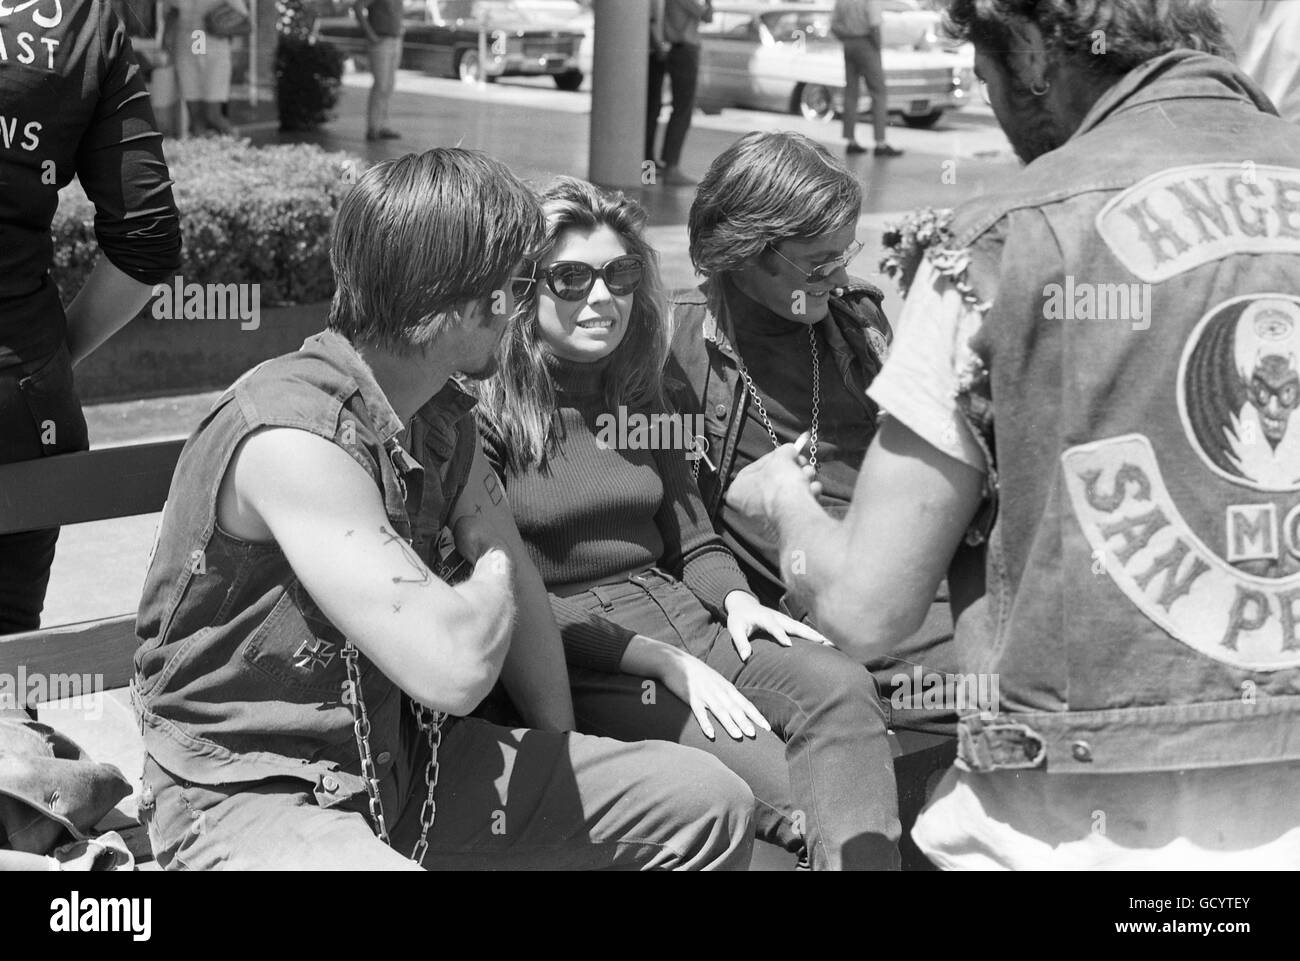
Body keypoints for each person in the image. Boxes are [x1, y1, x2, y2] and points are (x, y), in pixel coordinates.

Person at [726, 0, 1300, 869]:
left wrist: (783, 503)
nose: (995, 114)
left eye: (986, 78)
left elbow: (867, 608)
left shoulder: (998, 240)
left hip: (1081, 825)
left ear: (1031, 50)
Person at [132, 149, 755, 871]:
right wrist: (489, 550)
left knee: (708, 801)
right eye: (517, 283)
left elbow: (524, 624)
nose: (524, 306)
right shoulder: (292, 436)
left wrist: (560, 767)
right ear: (453, 299)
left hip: (405, 769)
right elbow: (455, 666)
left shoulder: (440, 411)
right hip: (249, 791)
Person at [471, 175, 902, 870]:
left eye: (620, 273)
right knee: (799, 802)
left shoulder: (646, 387)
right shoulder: (483, 416)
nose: (601, 296)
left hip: (689, 618)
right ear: (526, 290)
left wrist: (737, 601)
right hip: (590, 653)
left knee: (843, 685)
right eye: (571, 278)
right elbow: (502, 597)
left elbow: (693, 535)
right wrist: (651, 660)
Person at [665, 131, 967, 724]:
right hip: (835, 606)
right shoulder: (678, 347)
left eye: (844, 256)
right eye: (818, 263)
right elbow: (677, 525)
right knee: (996, 673)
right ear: (744, 250)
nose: (835, 277)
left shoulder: (857, 317)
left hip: (916, 560)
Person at [0, 0, 181, 636]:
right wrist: (44, 357)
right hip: (19, 401)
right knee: (9, 668)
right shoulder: (80, 18)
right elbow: (147, 239)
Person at [646, 0, 712, 186]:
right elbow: (705, 15)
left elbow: (708, 16)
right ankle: (671, 167)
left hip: (678, 49)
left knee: (669, 108)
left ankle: (659, 164)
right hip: (684, 49)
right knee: (683, 109)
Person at [164, 0, 247, 135]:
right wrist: (165, 44)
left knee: (212, 115)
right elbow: (173, 13)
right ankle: (202, 151)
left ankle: (237, 146)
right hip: (186, 50)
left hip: (215, 52)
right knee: (195, 117)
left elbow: (246, 24)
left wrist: (221, 29)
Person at [831, 0, 902, 156]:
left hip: (848, 44)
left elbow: (834, 26)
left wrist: (847, 38)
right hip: (866, 43)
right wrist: (877, 47)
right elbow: (874, 26)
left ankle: (850, 140)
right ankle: (880, 142)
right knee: (878, 92)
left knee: (851, 92)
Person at [354, 0, 404, 141]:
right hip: (381, 40)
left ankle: (383, 126)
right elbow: (358, 7)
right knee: (380, 84)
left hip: (396, 39)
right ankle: (373, 128)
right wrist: (370, 34)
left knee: (389, 84)